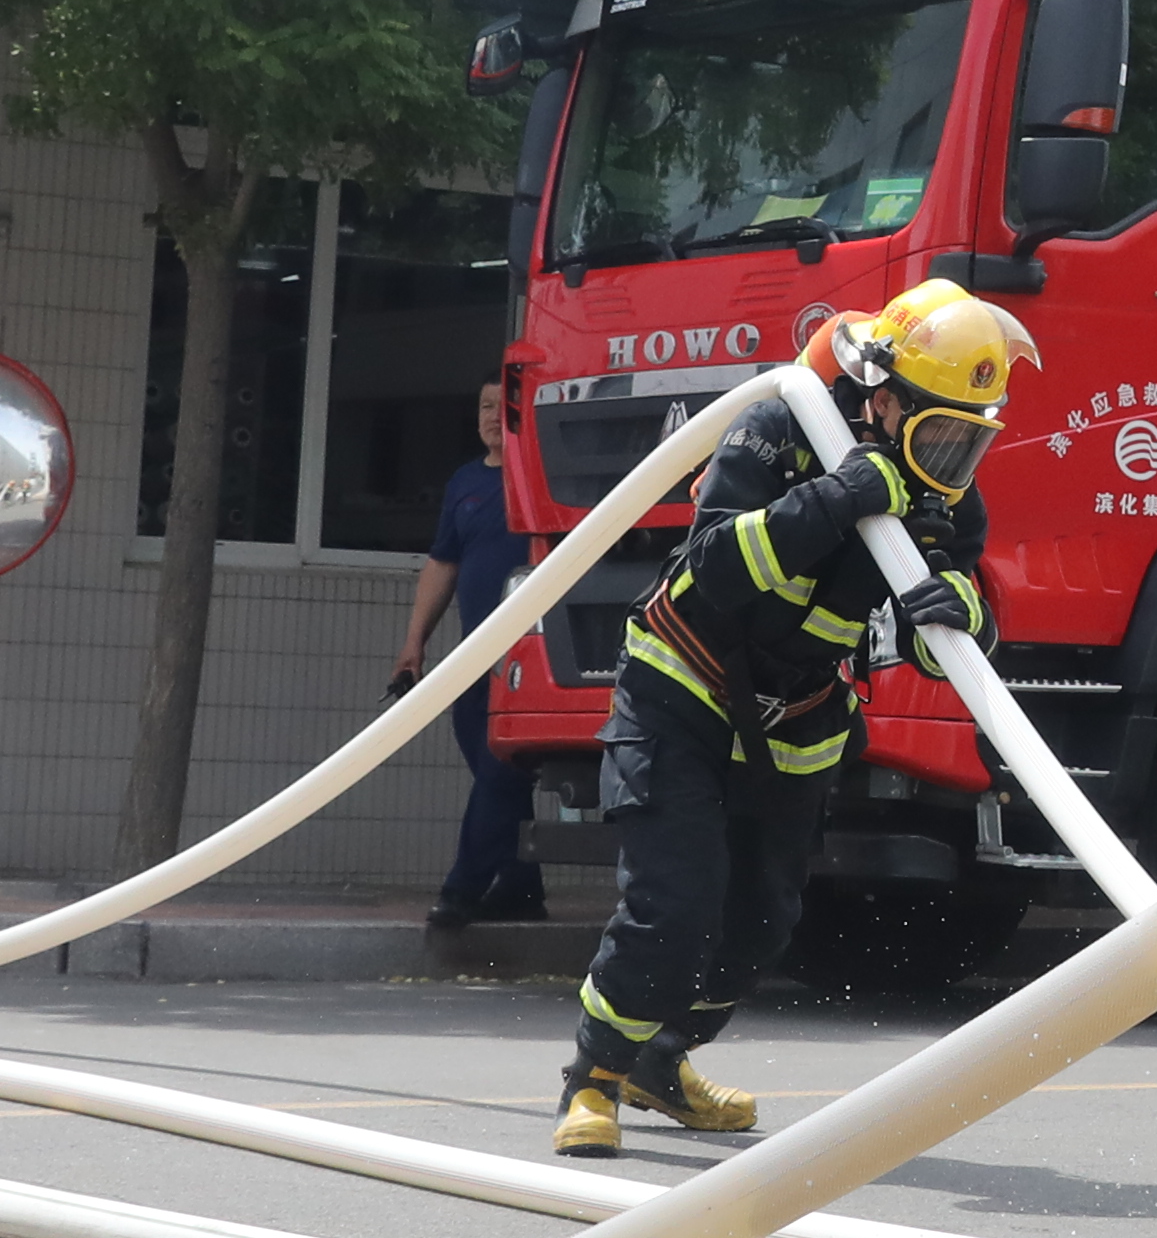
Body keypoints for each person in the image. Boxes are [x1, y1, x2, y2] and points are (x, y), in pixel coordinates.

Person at [561, 278, 1033, 1158]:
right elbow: (712, 567)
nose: (952, 460)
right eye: (939, 433)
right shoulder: (780, 429)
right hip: (684, 690)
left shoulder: (945, 498)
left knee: (761, 924)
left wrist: (961, 612)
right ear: (884, 399)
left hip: (800, 719)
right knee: (675, 902)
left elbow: (948, 645)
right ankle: (593, 1077)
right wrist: (841, 496)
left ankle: (661, 1059)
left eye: (971, 442)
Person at [393, 370, 542, 927]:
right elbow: (443, 562)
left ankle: (463, 887)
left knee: (502, 771)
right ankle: (524, 887)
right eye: (481, 406)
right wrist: (415, 643)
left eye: (500, 404)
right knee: (489, 769)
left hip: (527, 659)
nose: (489, 416)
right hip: (471, 659)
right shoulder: (464, 483)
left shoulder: (541, 476)